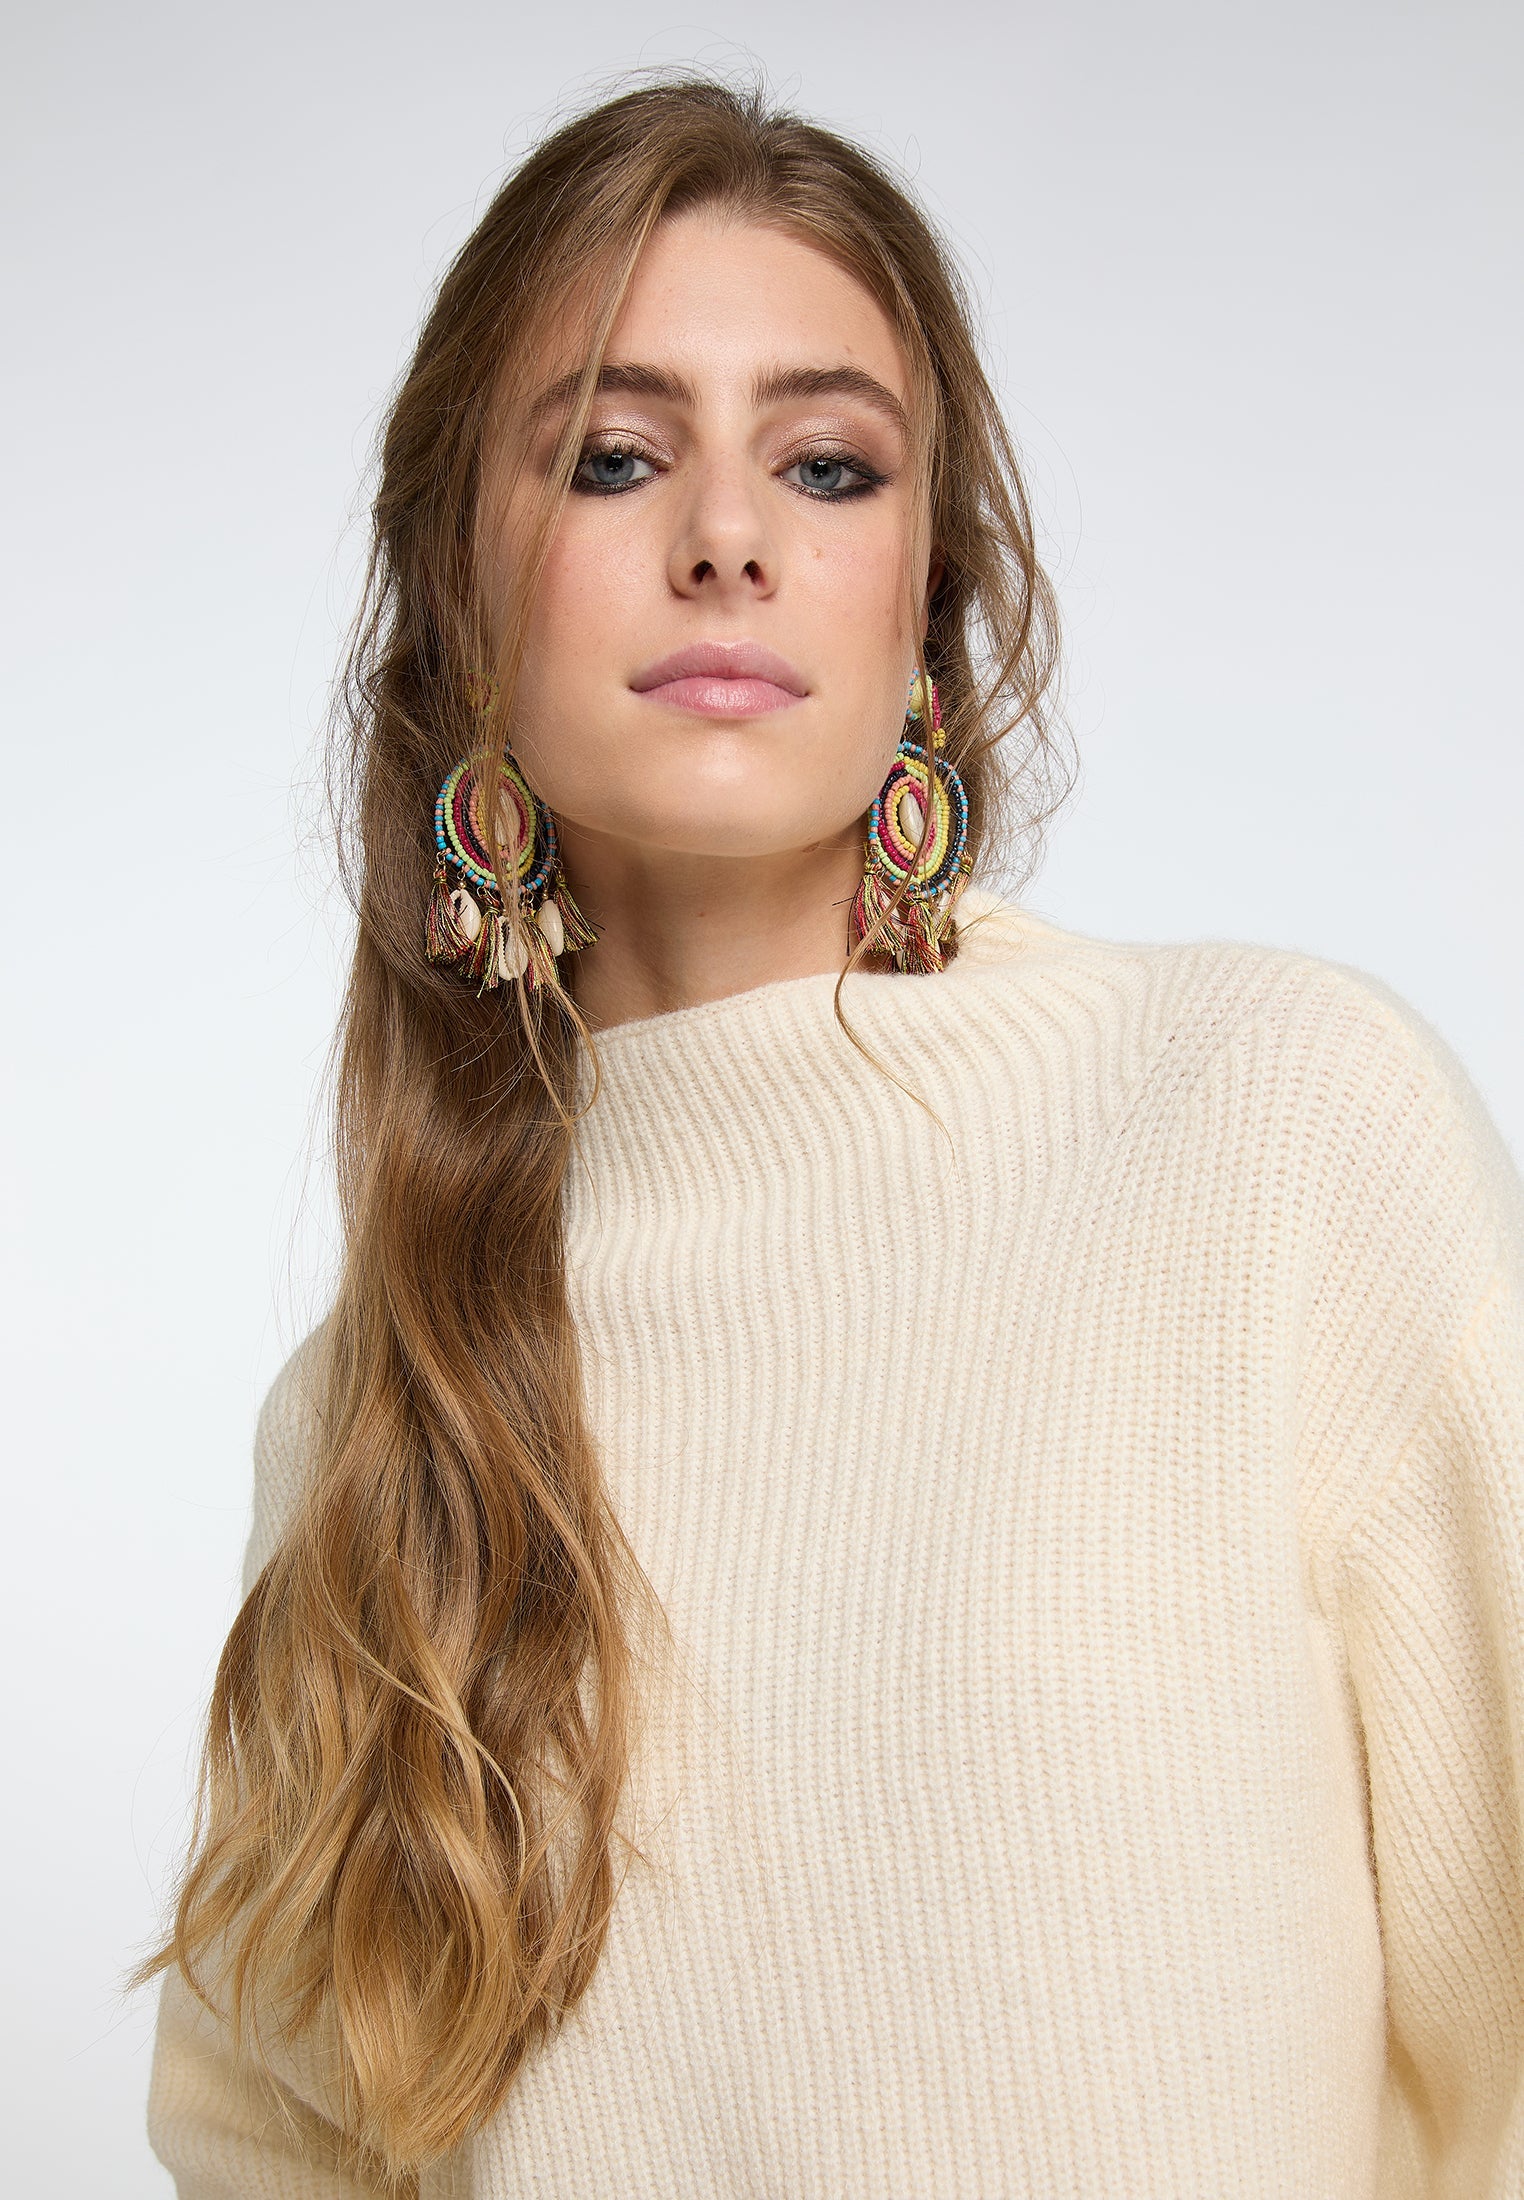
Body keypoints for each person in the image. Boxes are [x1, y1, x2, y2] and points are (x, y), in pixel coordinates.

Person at [140, 74, 1524, 2200]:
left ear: (925, 598)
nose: (728, 535)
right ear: (460, 591)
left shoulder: (1274, 1135)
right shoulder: (368, 1413)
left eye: (827, 462)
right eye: (614, 456)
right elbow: (271, 2151)